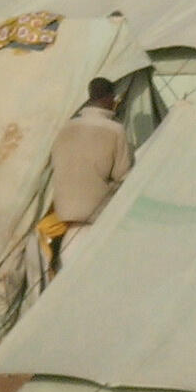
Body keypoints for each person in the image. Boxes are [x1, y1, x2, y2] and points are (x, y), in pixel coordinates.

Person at [48, 77, 130, 258]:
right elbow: (123, 176)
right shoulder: (115, 130)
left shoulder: (65, 127)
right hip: (95, 218)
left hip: (64, 216)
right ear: (110, 98)